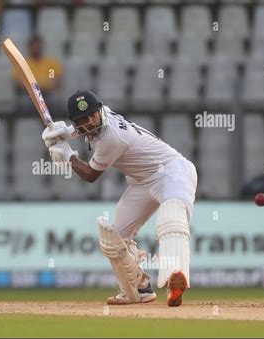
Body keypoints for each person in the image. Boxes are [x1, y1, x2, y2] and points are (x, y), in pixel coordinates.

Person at [42, 90, 198, 307]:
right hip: (142, 182)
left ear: (99, 112)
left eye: (92, 116)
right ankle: (140, 288)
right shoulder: (102, 113)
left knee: (171, 218)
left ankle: (176, 281)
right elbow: (83, 126)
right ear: (76, 123)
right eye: (82, 121)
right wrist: (65, 132)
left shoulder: (112, 138)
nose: (90, 122)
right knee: (114, 239)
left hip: (173, 172)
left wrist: (68, 155)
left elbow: (90, 175)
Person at [13, 36, 63, 101]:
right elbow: (20, 83)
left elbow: (55, 82)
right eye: (34, 47)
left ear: (42, 47)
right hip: (29, 94)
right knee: (25, 101)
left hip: (47, 93)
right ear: (29, 48)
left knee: (52, 99)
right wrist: (41, 86)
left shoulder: (51, 64)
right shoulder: (22, 64)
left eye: (38, 47)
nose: (36, 49)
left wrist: (39, 87)